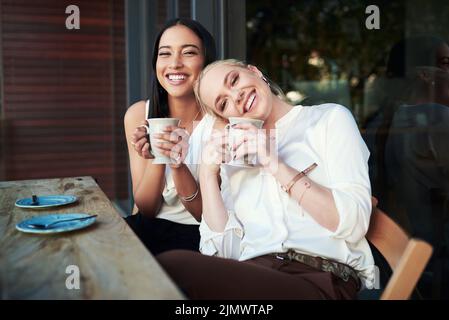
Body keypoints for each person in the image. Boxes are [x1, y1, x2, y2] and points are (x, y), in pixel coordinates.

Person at [156, 59, 376, 299]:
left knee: (172, 267)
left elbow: (354, 223)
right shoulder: (235, 160)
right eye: (223, 103)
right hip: (257, 277)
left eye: (234, 80)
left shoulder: (328, 120)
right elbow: (224, 253)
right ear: (225, 117)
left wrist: (273, 162)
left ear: (255, 71)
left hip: (321, 280)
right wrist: (209, 175)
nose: (236, 97)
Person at [365, 36, 449, 298]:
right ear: (426, 74)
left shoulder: (378, 123)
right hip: (438, 267)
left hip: (399, 267)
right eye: (446, 63)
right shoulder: (438, 121)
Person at [123, 18, 217, 255]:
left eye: (189, 52)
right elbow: (146, 209)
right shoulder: (137, 115)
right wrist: (159, 155)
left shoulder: (220, 123)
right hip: (149, 228)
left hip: (202, 236)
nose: (175, 64)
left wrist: (177, 164)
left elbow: (204, 215)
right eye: (165, 54)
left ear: (207, 61)